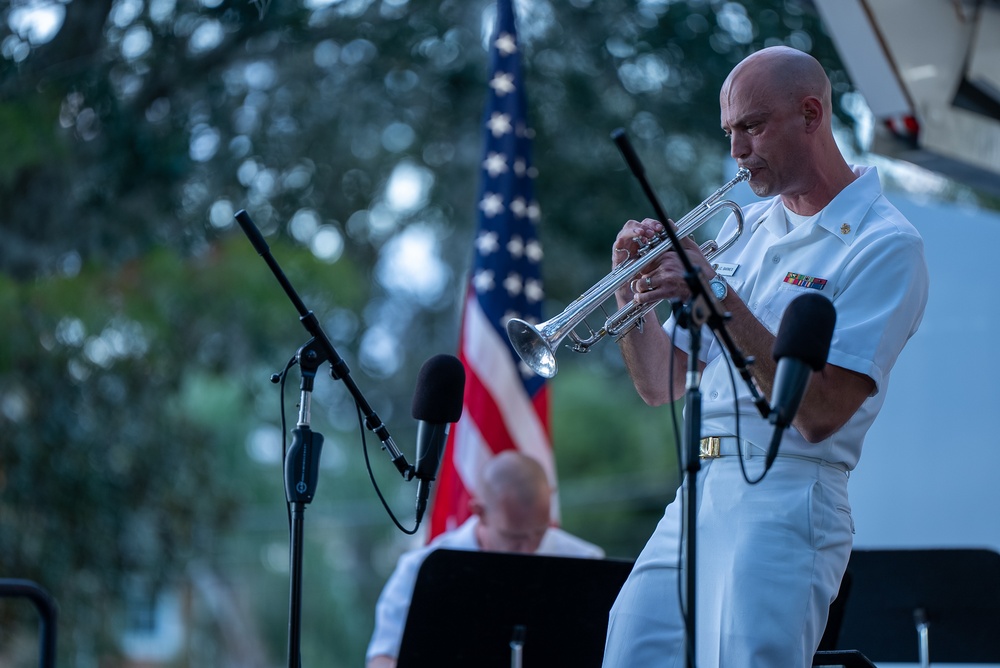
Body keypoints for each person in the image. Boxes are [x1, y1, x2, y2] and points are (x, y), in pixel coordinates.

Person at [602, 46, 929, 667]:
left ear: (811, 115)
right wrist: (632, 293)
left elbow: (819, 410)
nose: (737, 152)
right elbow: (661, 384)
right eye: (729, 132)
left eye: (751, 127)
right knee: (630, 649)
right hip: (700, 486)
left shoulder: (888, 244)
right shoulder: (742, 227)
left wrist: (716, 290)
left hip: (787, 489)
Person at [365, 450, 605, 668]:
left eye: (540, 532)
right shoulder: (421, 569)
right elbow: (384, 657)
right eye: (514, 537)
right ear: (479, 512)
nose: (529, 548)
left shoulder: (587, 562)